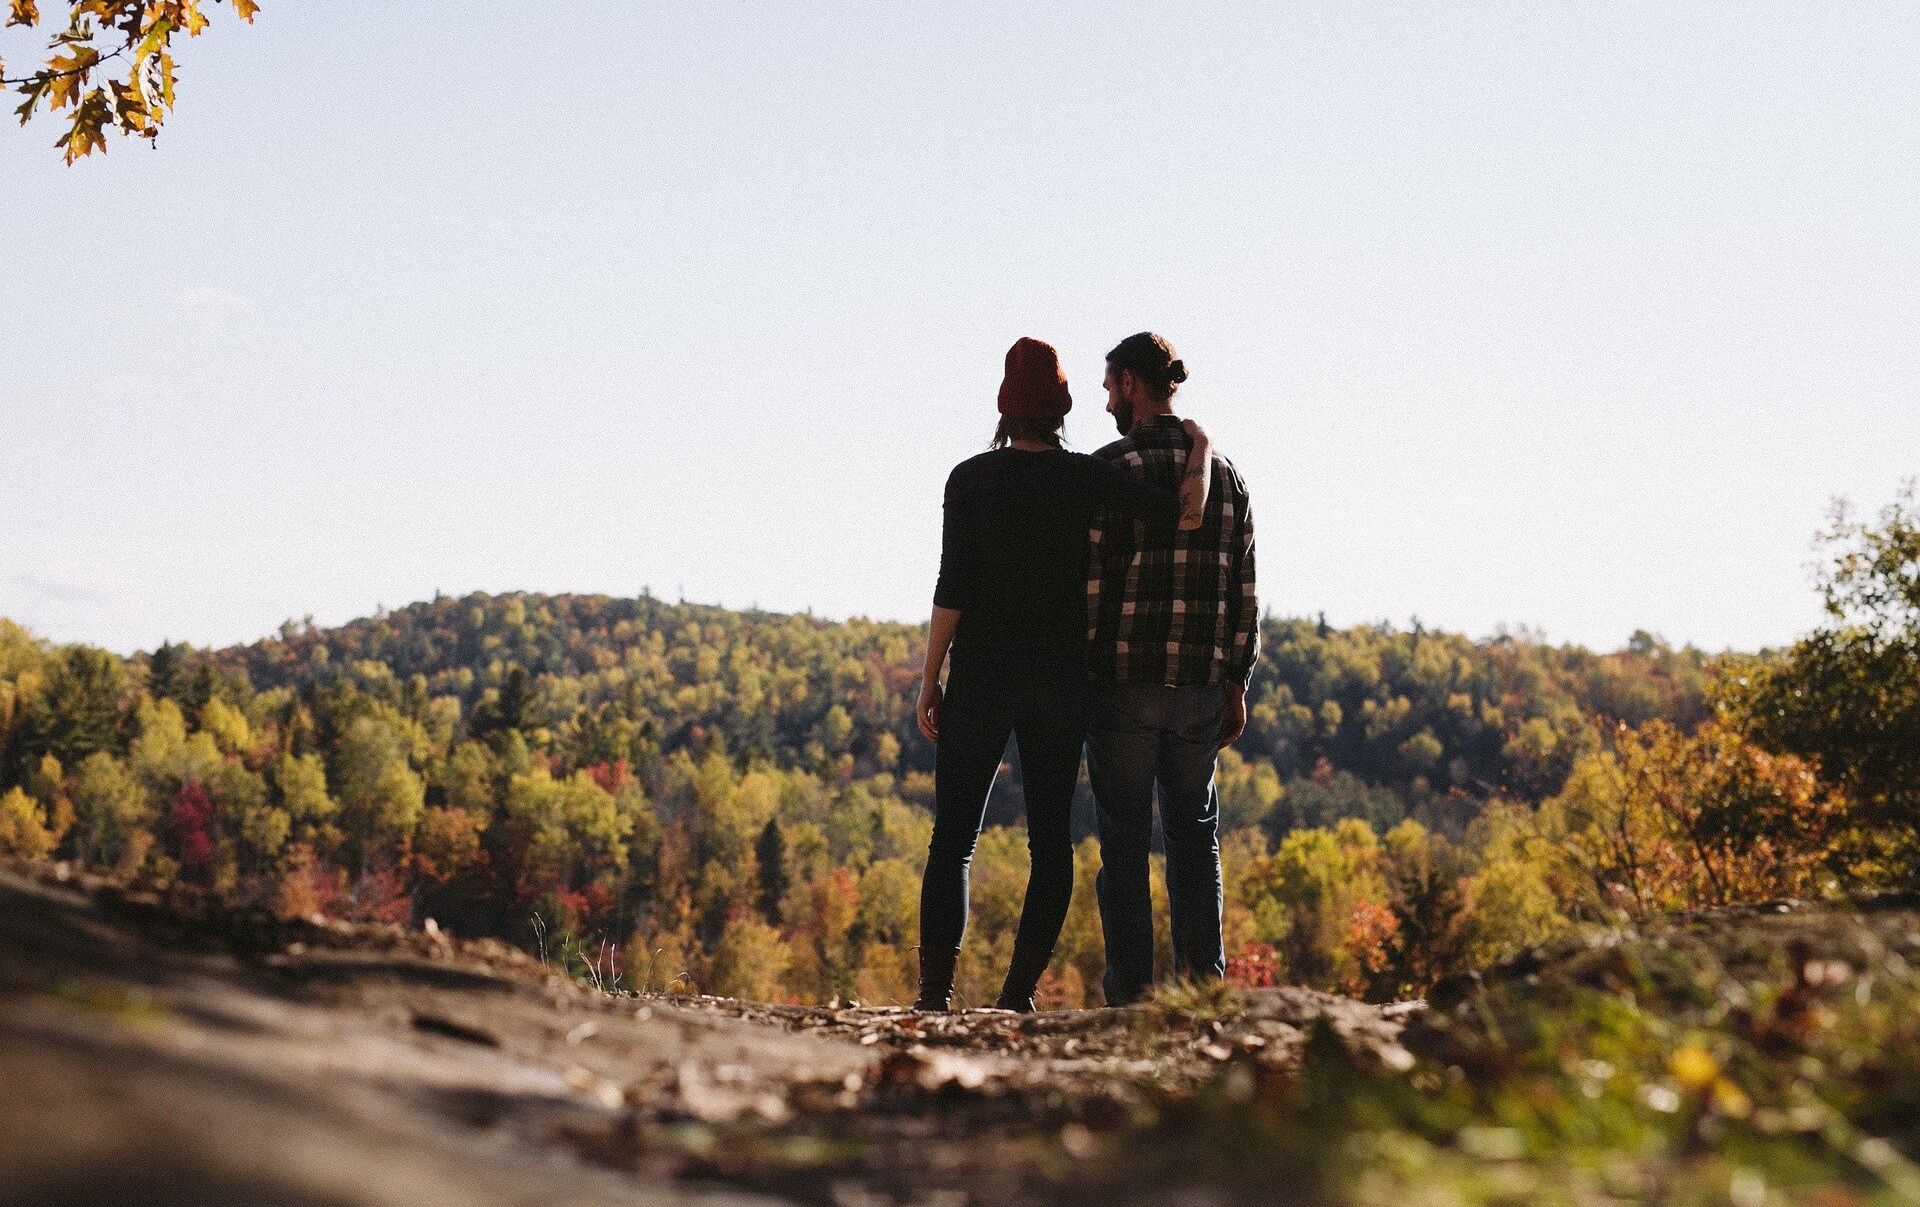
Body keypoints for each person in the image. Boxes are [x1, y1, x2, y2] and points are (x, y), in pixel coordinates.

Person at [913, 337, 1211, 1013]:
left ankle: (935, 996)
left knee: (953, 839)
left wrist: (930, 678)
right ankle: (1016, 995)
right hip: (1060, 683)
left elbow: (951, 587)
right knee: (1051, 845)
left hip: (983, 677)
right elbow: (1184, 514)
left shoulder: (969, 480)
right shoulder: (1087, 478)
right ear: (1063, 406)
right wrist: (1202, 446)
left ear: (1003, 407)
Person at [1085, 332, 1257, 1006]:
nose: (1104, 401)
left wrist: (1087, 672)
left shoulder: (1110, 468)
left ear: (1131, 382)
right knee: (1194, 838)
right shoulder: (1227, 478)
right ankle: (1201, 990)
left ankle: (1130, 993)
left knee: (1123, 842)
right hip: (1197, 688)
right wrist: (1236, 679)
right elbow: (1244, 588)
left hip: (1124, 685)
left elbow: (1091, 587)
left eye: (1108, 386)